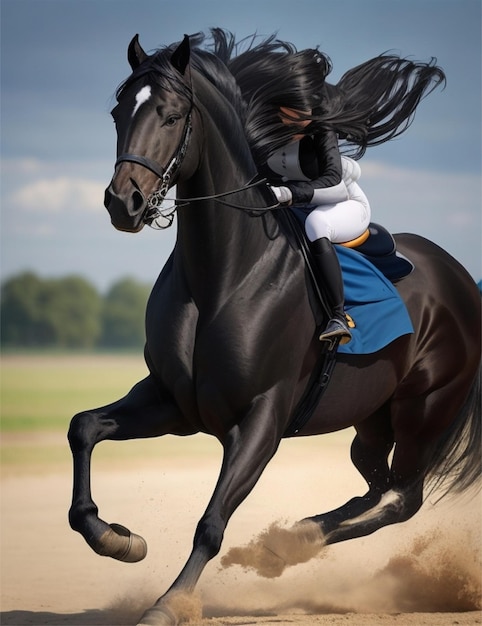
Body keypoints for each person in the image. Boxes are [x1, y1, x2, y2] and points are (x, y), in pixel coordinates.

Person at [266, 107, 370, 344]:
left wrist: (286, 192)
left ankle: (338, 315)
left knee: (317, 223)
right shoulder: (265, 131)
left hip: (345, 203)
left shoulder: (322, 130)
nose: (297, 115)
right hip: (296, 204)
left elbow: (335, 186)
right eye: (288, 108)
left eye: (302, 109)